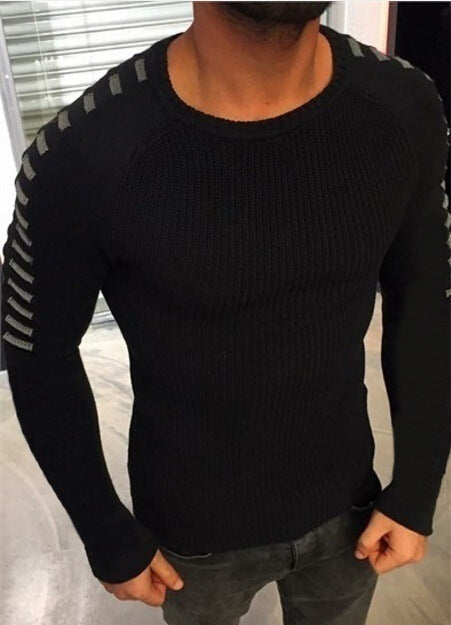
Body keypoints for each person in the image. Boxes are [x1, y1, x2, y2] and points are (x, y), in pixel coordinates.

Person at [1, 2, 450, 624]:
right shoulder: (83, 155)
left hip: (351, 506)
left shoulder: (404, 105)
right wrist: (106, 531)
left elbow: (426, 298)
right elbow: (36, 350)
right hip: (193, 536)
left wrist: (418, 488)